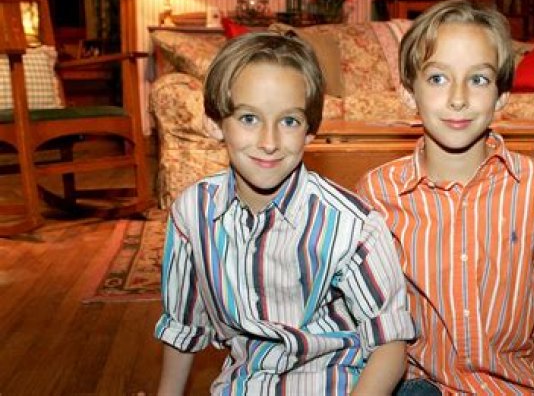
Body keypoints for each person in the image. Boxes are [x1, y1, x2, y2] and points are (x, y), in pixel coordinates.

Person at [155, 32, 415, 396]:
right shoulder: (191, 213)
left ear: (309, 132)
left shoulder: (353, 226)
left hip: (336, 384)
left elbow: (391, 346)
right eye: (249, 118)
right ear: (215, 123)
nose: (269, 142)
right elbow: (182, 327)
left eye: (289, 121)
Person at [356, 0, 534, 395]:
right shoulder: (379, 194)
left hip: (512, 386)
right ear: (409, 94)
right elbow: (366, 319)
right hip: (421, 384)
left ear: (501, 96)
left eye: (479, 80)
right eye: (438, 78)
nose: (458, 98)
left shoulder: (533, 186)